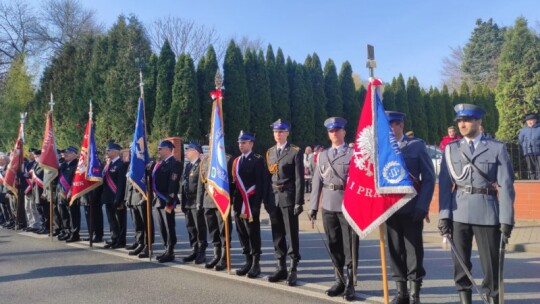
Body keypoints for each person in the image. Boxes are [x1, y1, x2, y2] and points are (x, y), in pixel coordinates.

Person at [438, 104, 515, 304]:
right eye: (459, 121)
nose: (462, 124)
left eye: (467, 120)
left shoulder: (497, 148)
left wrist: (506, 219)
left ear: (478, 122)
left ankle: (492, 299)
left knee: (491, 265)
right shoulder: (451, 149)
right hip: (458, 212)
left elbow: (506, 186)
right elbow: (445, 186)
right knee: (460, 264)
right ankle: (465, 300)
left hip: (487, 212)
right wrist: (444, 215)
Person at [385, 111, 436, 304]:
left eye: (393, 125)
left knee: (413, 250)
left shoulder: (416, 146)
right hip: (389, 209)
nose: (389, 130)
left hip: (412, 208)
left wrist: (423, 206)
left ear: (400, 126)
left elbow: (429, 178)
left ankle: (415, 294)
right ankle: (402, 292)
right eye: (386, 127)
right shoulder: (381, 150)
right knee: (395, 250)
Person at [308, 117, 357, 301]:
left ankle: (351, 283)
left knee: (349, 247)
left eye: (338, 130)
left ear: (344, 132)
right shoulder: (322, 155)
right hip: (328, 205)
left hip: (348, 206)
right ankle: (339, 280)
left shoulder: (353, 154)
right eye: (331, 131)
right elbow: (316, 182)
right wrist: (313, 206)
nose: (334, 133)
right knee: (334, 244)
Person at [265, 119, 304, 286]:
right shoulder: (270, 152)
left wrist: (298, 201)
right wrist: (267, 200)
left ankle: (293, 268)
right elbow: (268, 178)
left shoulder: (294, 152)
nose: (278, 134)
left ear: (287, 133)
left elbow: (299, 179)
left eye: (281, 131)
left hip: (288, 197)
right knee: (277, 234)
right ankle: (280, 267)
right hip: (274, 198)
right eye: (275, 131)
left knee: (291, 234)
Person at [231, 131, 266, 278]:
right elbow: (233, 184)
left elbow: (260, 184)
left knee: (253, 233)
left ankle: (256, 263)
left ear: (251, 144)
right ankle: (247, 261)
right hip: (239, 203)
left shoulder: (257, 160)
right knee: (241, 232)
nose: (241, 145)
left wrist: (257, 204)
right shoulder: (236, 161)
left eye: (244, 142)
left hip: (251, 203)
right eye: (240, 142)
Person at [197, 145, 232, 271]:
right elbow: (202, 184)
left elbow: (231, 183)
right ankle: (216, 255)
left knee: (224, 231)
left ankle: (224, 256)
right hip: (208, 201)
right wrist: (199, 201)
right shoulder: (205, 161)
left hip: (221, 201)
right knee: (213, 230)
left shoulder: (227, 159)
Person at [152, 140, 182, 263]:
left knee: (169, 226)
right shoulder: (159, 163)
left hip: (167, 200)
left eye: (161, 148)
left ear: (169, 149)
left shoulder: (174, 163)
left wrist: (170, 198)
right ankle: (166, 248)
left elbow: (173, 182)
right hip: (158, 200)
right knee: (161, 227)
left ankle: (170, 251)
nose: (158, 151)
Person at [181, 142, 208, 264]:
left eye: (188, 150)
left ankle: (202, 252)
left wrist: (199, 203)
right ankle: (194, 249)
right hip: (188, 201)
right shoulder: (188, 166)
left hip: (196, 202)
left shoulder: (201, 165)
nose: (186, 152)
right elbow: (184, 185)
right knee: (191, 228)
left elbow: (201, 187)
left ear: (196, 151)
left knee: (199, 228)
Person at [102, 143, 128, 248]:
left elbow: (121, 183)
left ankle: (121, 240)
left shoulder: (121, 164)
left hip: (117, 197)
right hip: (108, 197)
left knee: (120, 220)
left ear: (115, 151)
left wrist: (119, 198)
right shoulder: (109, 165)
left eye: (109, 150)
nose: (107, 152)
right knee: (111, 220)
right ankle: (114, 238)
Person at [125, 171, 154, 258]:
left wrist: (145, 197)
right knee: (137, 224)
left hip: (142, 197)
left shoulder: (145, 162)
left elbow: (148, 182)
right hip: (133, 197)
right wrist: (127, 197)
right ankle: (140, 243)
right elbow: (129, 182)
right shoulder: (131, 163)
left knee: (145, 223)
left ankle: (147, 245)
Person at [57, 146, 79, 242]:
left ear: (74, 155)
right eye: (65, 153)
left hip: (72, 193)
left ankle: (74, 234)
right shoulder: (63, 165)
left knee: (73, 215)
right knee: (64, 214)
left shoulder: (77, 165)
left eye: (68, 153)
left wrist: (71, 191)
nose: (65, 154)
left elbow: (76, 180)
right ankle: (67, 231)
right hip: (61, 193)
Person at [518, 113, 540, 179]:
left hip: (539, 152)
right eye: (528, 120)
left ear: (535, 120)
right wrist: (525, 147)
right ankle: (533, 180)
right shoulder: (523, 130)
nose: (529, 122)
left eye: (531, 120)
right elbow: (521, 141)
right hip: (528, 152)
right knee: (531, 168)